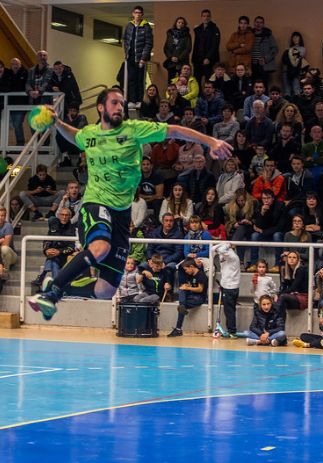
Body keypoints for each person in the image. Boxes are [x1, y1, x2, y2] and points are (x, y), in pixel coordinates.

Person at [28, 87, 232, 320]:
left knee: (105, 291)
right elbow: (74, 135)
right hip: (96, 203)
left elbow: (174, 129)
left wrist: (211, 141)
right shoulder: (90, 133)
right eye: (114, 102)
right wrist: (57, 123)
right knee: (100, 247)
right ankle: (50, 294)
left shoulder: (134, 129)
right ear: (101, 107)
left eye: (122, 103)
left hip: (122, 214)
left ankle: (55, 285)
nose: (120, 107)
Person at [31, 208, 76, 285]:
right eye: (62, 215)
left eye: (66, 215)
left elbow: (72, 247)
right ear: (58, 216)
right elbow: (47, 241)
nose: (64, 217)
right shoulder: (53, 227)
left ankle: (42, 276)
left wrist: (59, 252)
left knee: (53, 258)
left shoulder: (73, 229)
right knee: (53, 259)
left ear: (70, 217)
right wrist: (47, 250)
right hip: (54, 254)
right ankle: (56, 283)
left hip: (65, 255)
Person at [247, 189, 286, 273]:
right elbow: (257, 226)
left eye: (268, 198)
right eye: (264, 198)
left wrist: (264, 232)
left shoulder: (280, 207)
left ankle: (277, 264)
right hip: (264, 232)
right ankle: (254, 264)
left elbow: (281, 226)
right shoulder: (259, 207)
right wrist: (262, 213)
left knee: (277, 235)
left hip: (276, 232)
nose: (266, 200)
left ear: (273, 198)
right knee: (254, 235)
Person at [168, 258, 208, 337]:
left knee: (181, 306)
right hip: (191, 295)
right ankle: (182, 306)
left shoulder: (201, 274)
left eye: (186, 270)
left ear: (192, 267)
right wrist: (187, 286)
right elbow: (190, 285)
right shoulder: (190, 275)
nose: (186, 271)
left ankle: (178, 328)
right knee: (182, 291)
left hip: (199, 297)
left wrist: (188, 288)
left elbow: (200, 289)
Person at [123, 6, 153, 108]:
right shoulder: (129, 26)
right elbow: (126, 40)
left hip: (140, 58)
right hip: (130, 57)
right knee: (131, 79)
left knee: (140, 80)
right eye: (136, 13)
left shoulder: (146, 26)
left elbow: (148, 43)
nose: (138, 15)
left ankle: (140, 100)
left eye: (140, 13)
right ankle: (132, 100)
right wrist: (126, 53)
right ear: (133, 14)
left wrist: (143, 58)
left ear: (142, 14)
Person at [211, 242, 241, 339]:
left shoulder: (233, 257)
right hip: (225, 285)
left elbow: (221, 250)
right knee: (228, 310)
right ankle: (231, 331)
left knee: (229, 311)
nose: (220, 255)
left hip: (231, 287)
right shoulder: (223, 256)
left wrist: (229, 244)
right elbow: (212, 251)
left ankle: (232, 332)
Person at [225, 188, 258, 271]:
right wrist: (233, 225)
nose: (240, 203)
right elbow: (227, 221)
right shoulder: (231, 206)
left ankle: (232, 246)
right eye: (238, 201)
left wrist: (250, 222)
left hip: (250, 228)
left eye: (242, 200)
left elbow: (258, 219)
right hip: (237, 231)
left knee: (242, 227)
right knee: (241, 237)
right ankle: (241, 262)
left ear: (246, 199)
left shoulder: (253, 203)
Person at [192, 9, 220, 85]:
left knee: (209, 81)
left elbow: (215, 46)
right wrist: (193, 59)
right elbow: (195, 45)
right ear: (201, 17)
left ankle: (208, 96)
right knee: (197, 81)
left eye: (208, 16)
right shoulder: (198, 29)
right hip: (198, 59)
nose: (206, 18)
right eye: (204, 16)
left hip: (209, 60)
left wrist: (208, 57)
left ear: (210, 17)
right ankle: (198, 96)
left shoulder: (215, 29)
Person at [56, 102, 88, 167]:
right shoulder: (66, 120)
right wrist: (69, 121)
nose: (72, 113)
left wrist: (72, 121)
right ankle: (66, 158)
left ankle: (80, 158)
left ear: (78, 112)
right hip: (70, 144)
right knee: (58, 136)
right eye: (70, 110)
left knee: (82, 135)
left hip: (78, 145)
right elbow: (60, 132)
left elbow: (79, 130)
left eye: (74, 111)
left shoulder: (82, 117)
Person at [250, 16, 278, 87]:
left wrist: (265, 59)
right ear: (254, 23)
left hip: (263, 65)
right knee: (252, 86)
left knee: (263, 85)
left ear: (263, 24)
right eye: (257, 22)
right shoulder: (249, 35)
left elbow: (274, 49)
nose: (259, 24)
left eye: (261, 22)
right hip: (251, 65)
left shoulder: (268, 35)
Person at [163, 17, 192, 84]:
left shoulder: (187, 35)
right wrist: (170, 57)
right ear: (176, 23)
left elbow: (188, 48)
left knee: (183, 82)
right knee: (171, 82)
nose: (180, 24)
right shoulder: (170, 34)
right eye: (179, 22)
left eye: (182, 23)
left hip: (182, 62)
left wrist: (179, 58)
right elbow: (166, 48)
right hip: (171, 63)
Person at [8, 58, 28, 147]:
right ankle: (19, 142)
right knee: (15, 123)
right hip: (11, 103)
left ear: (20, 64)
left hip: (22, 103)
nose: (15, 66)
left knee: (17, 122)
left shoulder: (25, 73)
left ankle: (20, 143)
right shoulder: (8, 74)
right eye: (13, 64)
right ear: (10, 66)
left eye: (17, 64)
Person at [282, 32, 306, 97]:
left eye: (297, 37)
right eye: (293, 37)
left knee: (296, 90)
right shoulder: (287, 49)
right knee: (287, 91)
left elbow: (299, 56)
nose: (295, 39)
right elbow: (284, 59)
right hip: (286, 70)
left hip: (296, 71)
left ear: (300, 38)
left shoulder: (302, 49)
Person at [0, 206, 17, 281]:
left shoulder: (8, 226)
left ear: (5, 216)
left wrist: (3, 242)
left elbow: (5, 245)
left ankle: (6, 270)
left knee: (4, 249)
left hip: (10, 255)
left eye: (2, 215)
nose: (0, 218)